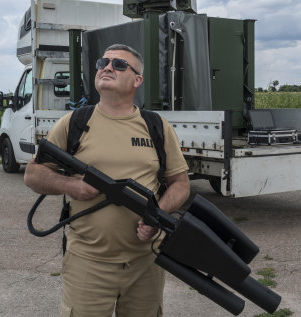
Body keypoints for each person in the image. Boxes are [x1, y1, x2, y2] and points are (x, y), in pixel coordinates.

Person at [24, 44, 190, 317]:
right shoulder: (74, 123)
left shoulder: (156, 126)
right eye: (103, 62)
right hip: (88, 263)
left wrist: (156, 214)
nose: (108, 67)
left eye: (119, 64)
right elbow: (33, 174)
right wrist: (71, 186)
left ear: (138, 80)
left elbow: (180, 184)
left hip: (145, 262)